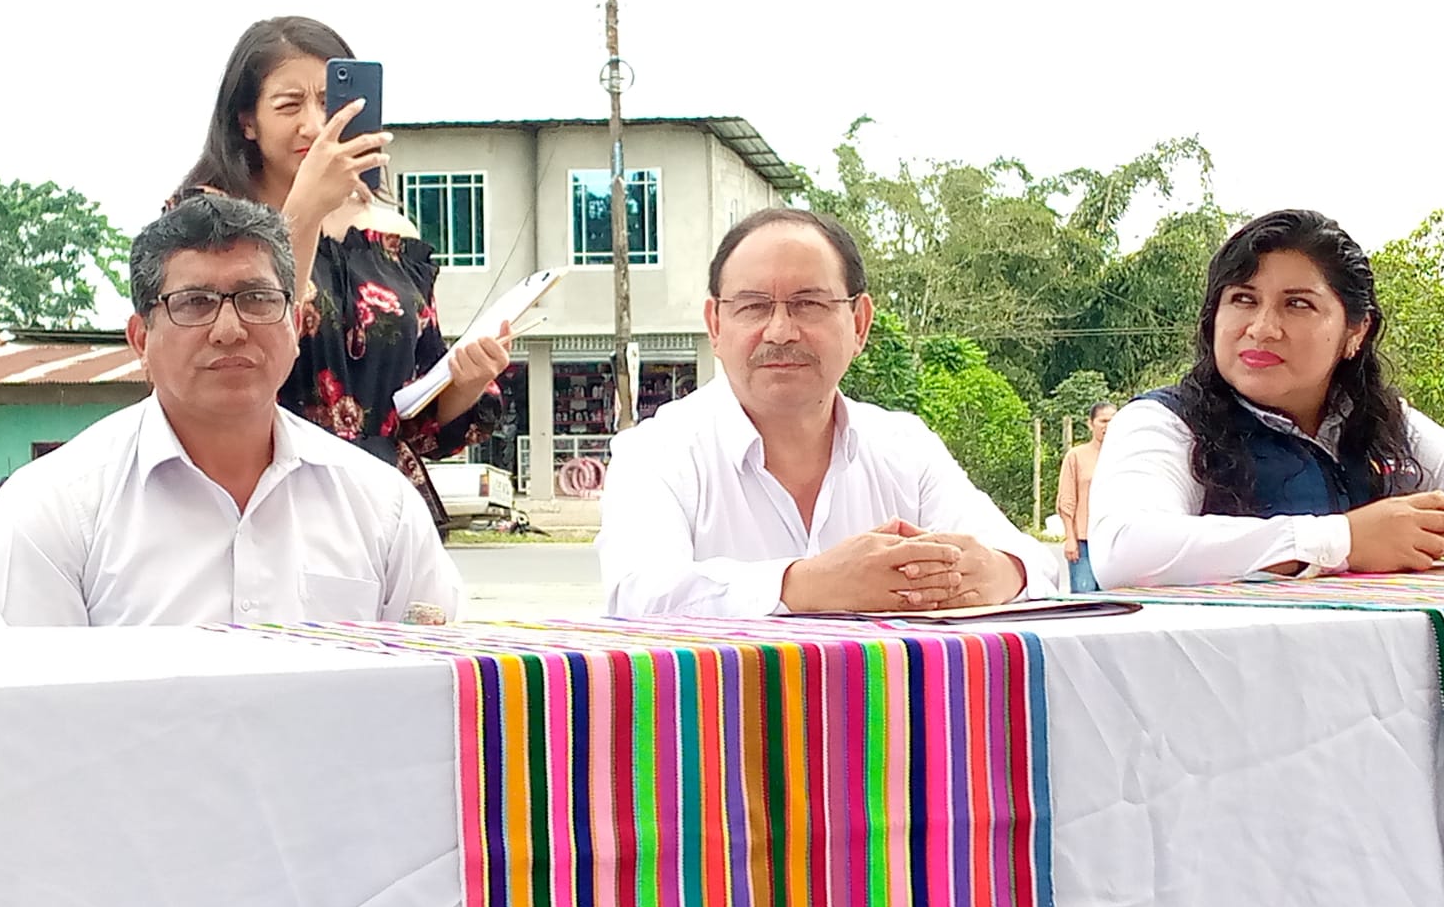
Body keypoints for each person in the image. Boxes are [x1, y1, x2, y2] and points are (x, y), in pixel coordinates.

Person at [0, 195, 462, 626]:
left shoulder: (383, 507)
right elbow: (28, 697)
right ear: (141, 339)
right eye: (194, 303)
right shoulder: (50, 509)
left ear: (295, 326)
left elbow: (437, 680)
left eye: (257, 299)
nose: (229, 330)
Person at [597, 207, 1057, 616]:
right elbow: (639, 595)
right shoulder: (655, 452)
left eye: (808, 304)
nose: (780, 331)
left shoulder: (905, 449)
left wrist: (997, 572)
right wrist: (811, 584)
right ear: (715, 325)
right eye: (753, 306)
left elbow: (1034, 565)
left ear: (859, 323)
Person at [174, 16, 509, 527]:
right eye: (289, 105)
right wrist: (304, 211)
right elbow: (228, 342)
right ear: (247, 121)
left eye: (330, 103)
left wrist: (465, 381)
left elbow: (417, 416)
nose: (314, 125)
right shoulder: (205, 220)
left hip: (382, 504)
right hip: (257, 496)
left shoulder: (392, 234)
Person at [1089, 208, 1444, 589]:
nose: (1262, 329)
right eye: (1243, 299)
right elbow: (1124, 551)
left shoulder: (1389, 425)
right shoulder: (1166, 421)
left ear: (1356, 330)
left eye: (1298, 304)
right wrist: (1340, 541)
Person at [1056, 402, 1116, 592]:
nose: (1108, 426)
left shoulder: (1123, 456)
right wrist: (1070, 538)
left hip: (1114, 540)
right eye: (1103, 421)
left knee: (1114, 598)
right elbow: (1066, 499)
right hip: (1084, 540)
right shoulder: (1076, 456)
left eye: (1113, 421)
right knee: (1085, 593)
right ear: (1090, 424)